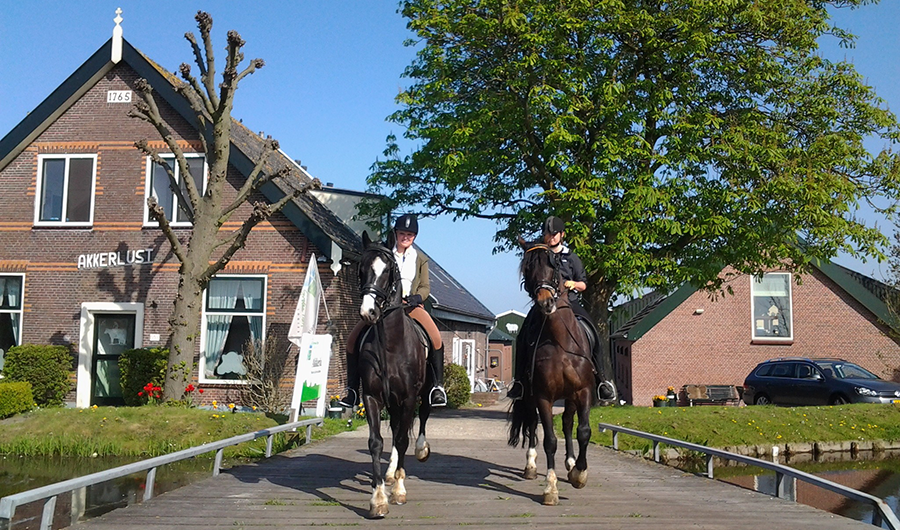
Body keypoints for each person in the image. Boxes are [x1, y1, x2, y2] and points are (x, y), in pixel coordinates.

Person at [338, 214, 448, 407]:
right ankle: (352, 390)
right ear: (396, 234)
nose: (405, 237)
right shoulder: (384, 254)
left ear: (414, 237)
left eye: (410, 235)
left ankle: (437, 387)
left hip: (410, 306)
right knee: (352, 341)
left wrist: (417, 297)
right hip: (384, 307)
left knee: (436, 338)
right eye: (402, 233)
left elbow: (425, 286)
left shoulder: (421, 259)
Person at [506, 216, 616, 403]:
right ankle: (519, 382)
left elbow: (583, 284)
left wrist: (573, 284)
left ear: (562, 235)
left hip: (568, 302)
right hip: (544, 303)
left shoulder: (571, 257)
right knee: (522, 334)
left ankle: (601, 380)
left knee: (592, 332)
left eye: (554, 234)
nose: (551, 237)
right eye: (547, 234)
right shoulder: (541, 254)